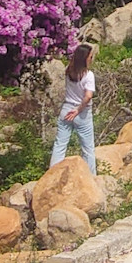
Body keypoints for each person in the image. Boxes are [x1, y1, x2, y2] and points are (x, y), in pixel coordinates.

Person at [49, 43, 97, 171]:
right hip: (82, 113)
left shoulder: (68, 71)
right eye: (90, 57)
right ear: (85, 58)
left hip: (66, 109)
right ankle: (91, 176)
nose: (91, 59)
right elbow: (88, 96)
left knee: (60, 145)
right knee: (87, 148)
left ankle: (53, 172)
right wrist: (78, 110)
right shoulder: (88, 75)